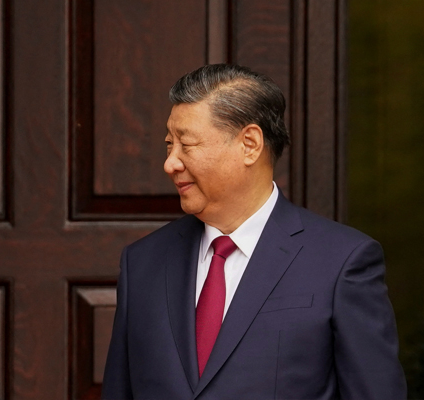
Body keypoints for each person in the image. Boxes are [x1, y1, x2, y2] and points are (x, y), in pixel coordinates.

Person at [101, 64, 406, 399]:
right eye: (168, 145)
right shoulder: (143, 263)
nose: (170, 163)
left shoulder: (341, 263)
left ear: (249, 143)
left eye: (186, 145)